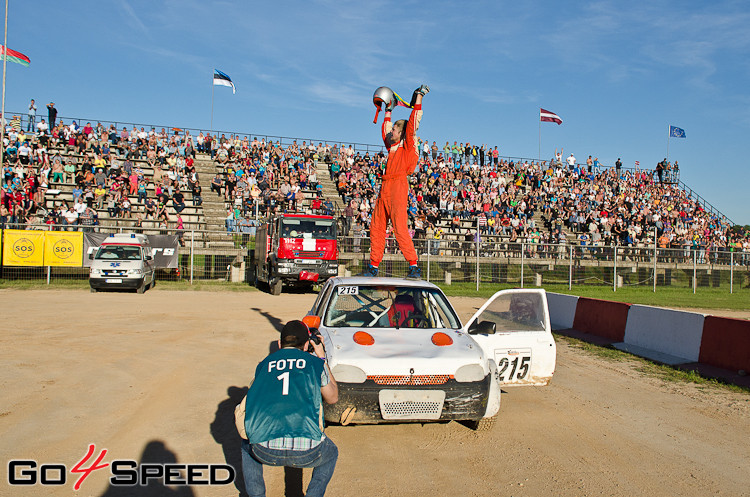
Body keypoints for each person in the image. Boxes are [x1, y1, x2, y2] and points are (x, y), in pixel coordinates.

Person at [235, 320, 339, 497]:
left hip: (263, 450)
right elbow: (332, 398)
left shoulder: (263, 365)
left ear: (279, 344)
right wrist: (321, 358)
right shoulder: (314, 364)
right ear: (307, 344)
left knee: (247, 444)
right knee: (331, 453)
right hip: (308, 452)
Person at [365, 84, 429, 279]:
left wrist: (418, 97)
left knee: (400, 227)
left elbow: (412, 122)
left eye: (394, 129)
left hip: (399, 185)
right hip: (385, 186)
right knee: (376, 226)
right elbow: (384, 131)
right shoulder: (392, 146)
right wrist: (388, 110)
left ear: (401, 133)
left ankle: (413, 265)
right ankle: (373, 266)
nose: (391, 131)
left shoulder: (408, 144)